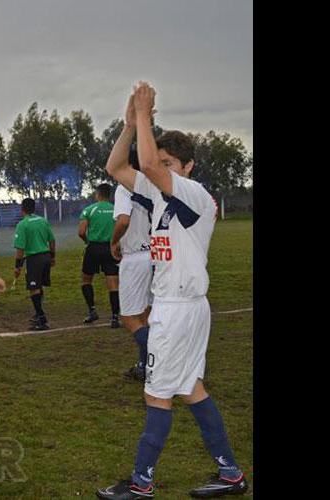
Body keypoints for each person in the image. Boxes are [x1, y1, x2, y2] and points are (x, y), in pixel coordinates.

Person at [96, 82, 248, 499]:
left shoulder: (193, 195)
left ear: (189, 166)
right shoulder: (160, 195)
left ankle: (141, 483)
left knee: (156, 394)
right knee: (190, 390)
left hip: (179, 309)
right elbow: (117, 168)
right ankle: (231, 474)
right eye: (161, 161)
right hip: (178, 306)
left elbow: (146, 164)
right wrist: (129, 125)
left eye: (169, 163)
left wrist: (145, 116)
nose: (159, 167)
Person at [111, 148, 155, 382]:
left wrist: (113, 240)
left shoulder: (125, 186)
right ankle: (145, 365)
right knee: (147, 316)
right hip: (157, 255)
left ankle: (163, 361)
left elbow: (124, 220)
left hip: (136, 257)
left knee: (129, 318)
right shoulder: (155, 184)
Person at [79, 183, 121, 327]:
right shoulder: (116, 210)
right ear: (110, 195)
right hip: (111, 248)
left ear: (97, 194)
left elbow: (81, 232)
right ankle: (115, 317)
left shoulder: (89, 210)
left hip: (93, 248)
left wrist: (87, 242)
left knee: (86, 280)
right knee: (113, 284)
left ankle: (92, 311)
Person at [12, 198, 56, 330]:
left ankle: (42, 319)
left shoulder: (22, 224)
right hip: (46, 256)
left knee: (33, 288)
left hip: (34, 259)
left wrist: (17, 266)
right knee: (39, 285)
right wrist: (52, 256)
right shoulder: (43, 220)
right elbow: (52, 240)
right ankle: (38, 314)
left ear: (22, 209)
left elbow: (20, 249)